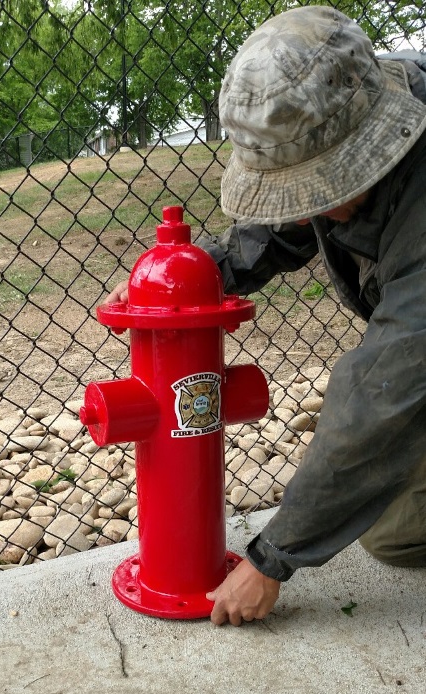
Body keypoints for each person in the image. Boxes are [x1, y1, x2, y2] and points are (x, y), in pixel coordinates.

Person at [105, 5, 426, 626]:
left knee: (393, 511)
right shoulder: (342, 104)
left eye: (322, 187)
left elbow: (387, 385)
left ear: (376, 149)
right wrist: (195, 280)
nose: (306, 208)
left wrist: (273, 557)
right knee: (388, 527)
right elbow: (286, 226)